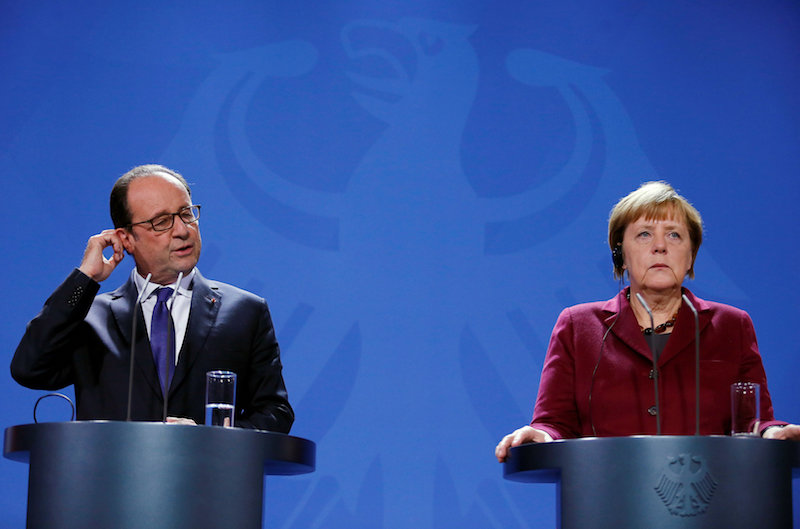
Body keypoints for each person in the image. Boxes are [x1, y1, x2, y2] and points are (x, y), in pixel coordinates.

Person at [496, 181, 799, 461]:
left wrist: (773, 432)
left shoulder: (731, 325)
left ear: (690, 255)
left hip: (710, 500)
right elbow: (555, 422)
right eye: (644, 234)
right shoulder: (578, 326)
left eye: (674, 235)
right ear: (621, 256)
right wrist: (542, 435)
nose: (660, 246)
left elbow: (752, 421)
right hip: (609, 501)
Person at [11, 164, 293, 432]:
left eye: (186, 214)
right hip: (111, 480)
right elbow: (30, 369)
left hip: (207, 478)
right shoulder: (91, 317)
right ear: (127, 238)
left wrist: (210, 437)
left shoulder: (245, 312)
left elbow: (275, 412)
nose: (182, 230)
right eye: (162, 222)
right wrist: (86, 279)